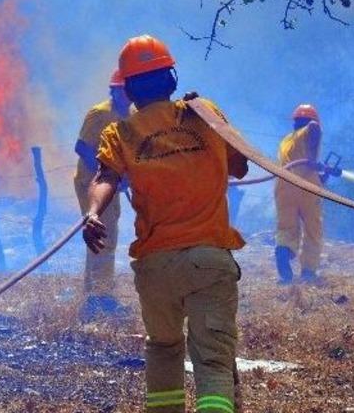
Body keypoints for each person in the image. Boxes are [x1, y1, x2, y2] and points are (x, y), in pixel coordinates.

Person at [82, 34, 248, 413]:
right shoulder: (203, 113)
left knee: (163, 348)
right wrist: (202, 121)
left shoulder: (120, 133)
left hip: (156, 266)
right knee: (213, 361)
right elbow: (241, 164)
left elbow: (105, 177)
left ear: (128, 90)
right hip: (209, 258)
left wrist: (92, 213)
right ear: (171, 79)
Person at [74, 68, 132, 320]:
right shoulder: (99, 114)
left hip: (112, 183)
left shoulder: (130, 114)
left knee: (107, 233)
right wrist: (107, 172)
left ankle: (95, 295)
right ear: (115, 90)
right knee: (103, 234)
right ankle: (101, 297)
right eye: (123, 89)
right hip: (93, 183)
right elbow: (82, 148)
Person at [274, 104, 323, 284]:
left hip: (283, 186)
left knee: (286, 226)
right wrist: (311, 158)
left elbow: (298, 160)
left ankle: (283, 250)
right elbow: (313, 129)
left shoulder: (286, 141)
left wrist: (319, 172)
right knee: (313, 229)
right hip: (306, 187)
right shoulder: (308, 131)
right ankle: (308, 271)